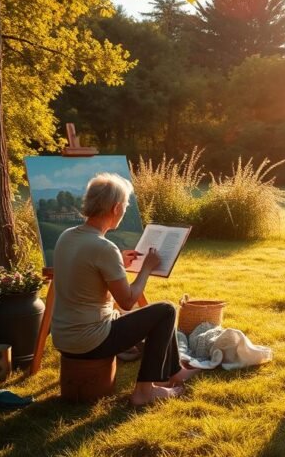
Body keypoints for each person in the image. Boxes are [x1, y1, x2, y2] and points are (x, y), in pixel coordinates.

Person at [51, 173, 197, 406]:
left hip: (63, 336)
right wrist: (146, 268)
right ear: (117, 207)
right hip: (90, 340)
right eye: (126, 205)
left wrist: (118, 259)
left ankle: (174, 372)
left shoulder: (66, 237)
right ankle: (144, 391)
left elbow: (84, 272)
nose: (125, 209)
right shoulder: (102, 247)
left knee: (153, 316)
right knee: (166, 310)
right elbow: (128, 301)